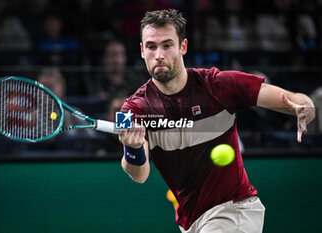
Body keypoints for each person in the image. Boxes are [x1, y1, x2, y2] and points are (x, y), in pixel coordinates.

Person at [118, 9, 315, 233]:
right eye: (151, 46)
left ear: (183, 47)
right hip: (191, 222)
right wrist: (133, 147)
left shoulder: (218, 85)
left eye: (167, 45)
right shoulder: (131, 110)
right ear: (142, 51)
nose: (159, 55)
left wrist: (305, 108)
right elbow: (139, 175)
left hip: (235, 211)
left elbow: (296, 99)